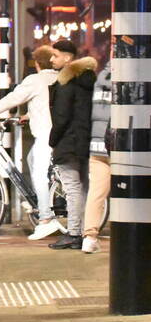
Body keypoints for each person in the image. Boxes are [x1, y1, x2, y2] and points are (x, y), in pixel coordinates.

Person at [0, 45, 62, 239]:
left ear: (36, 63)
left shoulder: (35, 80)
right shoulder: (58, 78)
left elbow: (12, 98)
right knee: (31, 159)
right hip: (58, 133)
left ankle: (45, 219)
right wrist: (28, 115)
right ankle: (40, 202)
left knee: (40, 174)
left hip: (45, 135)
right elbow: (47, 104)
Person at [47, 40, 96, 250]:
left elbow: (61, 116)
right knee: (83, 187)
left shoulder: (67, 82)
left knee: (72, 188)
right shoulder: (88, 80)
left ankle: (74, 233)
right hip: (86, 140)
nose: (51, 59)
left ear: (67, 58)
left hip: (68, 141)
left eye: (55, 55)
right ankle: (84, 230)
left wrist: (53, 140)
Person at [81, 60, 111, 253]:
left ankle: (90, 237)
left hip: (97, 143)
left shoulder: (101, 77)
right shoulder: (130, 77)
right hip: (119, 143)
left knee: (96, 193)